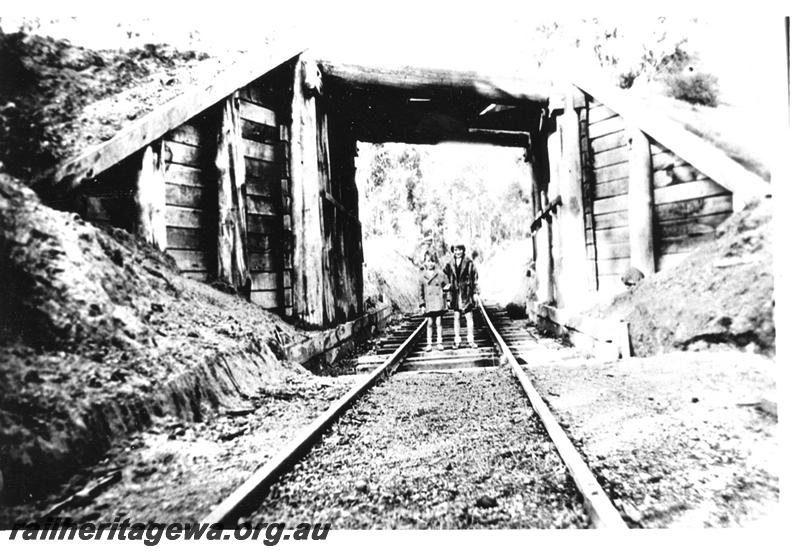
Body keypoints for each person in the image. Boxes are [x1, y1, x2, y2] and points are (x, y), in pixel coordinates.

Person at [443, 243, 480, 349]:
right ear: (453, 251)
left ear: (463, 250)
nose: (458, 252)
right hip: (455, 293)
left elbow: (475, 278)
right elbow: (444, 275)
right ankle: (457, 340)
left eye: (460, 250)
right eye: (455, 250)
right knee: (456, 317)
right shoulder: (450, 264)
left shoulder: (469, 263)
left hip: (466, 293)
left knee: (469, 317)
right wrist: (447, 286)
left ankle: (470, 340)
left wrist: (475, 293)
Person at [418, 252, 447, 351]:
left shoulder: (440, 274)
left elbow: (446, 285)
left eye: (432, 261)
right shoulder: (422, 276)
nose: (430, 263)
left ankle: (439, 342)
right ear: (425, 262)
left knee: (439, 322)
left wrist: (446, 298)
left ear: (435, 262)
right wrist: (422, 304)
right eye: (428, 261)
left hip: (438, 302)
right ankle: (429, 343)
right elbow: (420, 292)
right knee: (429, 323)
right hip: (429, 303)